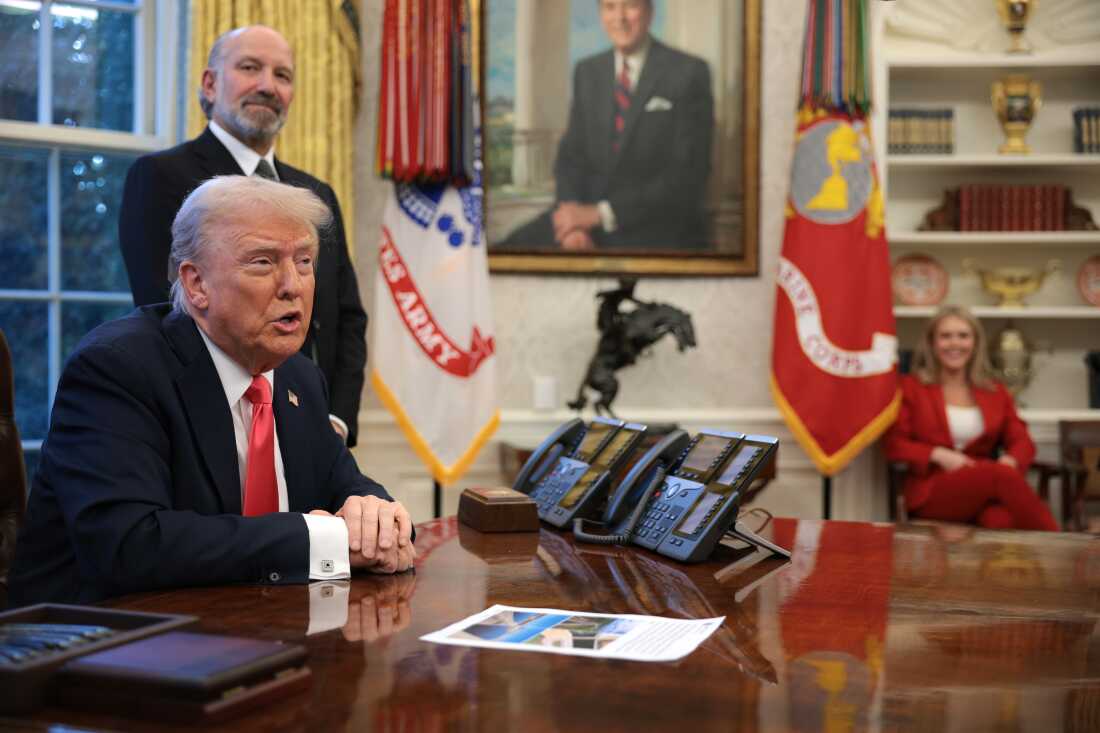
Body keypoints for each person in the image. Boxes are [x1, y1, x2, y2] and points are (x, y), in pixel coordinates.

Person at [8, 176, 414, 607]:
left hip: (253, 636)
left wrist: (379, 517)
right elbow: (129, 545)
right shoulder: (118, 368)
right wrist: (324, 538)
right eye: (262, 262)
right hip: (91, 646)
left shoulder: (300, 378)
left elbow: (349, 486)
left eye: (305, 261)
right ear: (196, 284)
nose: (292, 285)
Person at [118, 25, 368, 447]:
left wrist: (336, 421)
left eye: (283, 75)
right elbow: (163, 307)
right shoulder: (161, 177)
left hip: (313, 432)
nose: (268, 85)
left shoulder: (316, 194)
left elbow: (346, 317)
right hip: (207, 429)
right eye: (250, 67)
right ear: (211, 83)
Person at [499, 0, 714, 251]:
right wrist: (574, 225)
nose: (619, 18)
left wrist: (600, 214)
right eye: (610, 7)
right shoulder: (587, 72)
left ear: (649, 12)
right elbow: (570, 159)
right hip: (583, 223)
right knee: (500, 253)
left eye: (630, 6)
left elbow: (688, 175)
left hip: (654, 228)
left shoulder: (688, 72)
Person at [883, 305, 1058, 530]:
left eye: (963, 336)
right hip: (932, 489)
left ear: (975, 343)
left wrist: (1011, 460)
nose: (955, 343)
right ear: (932, 343)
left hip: (984, 487)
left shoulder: (995, 391)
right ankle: (1067, 551)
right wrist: (939, 455)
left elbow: (1022, 441)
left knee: (999, 519)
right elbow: (894, 445)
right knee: (998, 476)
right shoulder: (911, 387)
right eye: (945, 336)